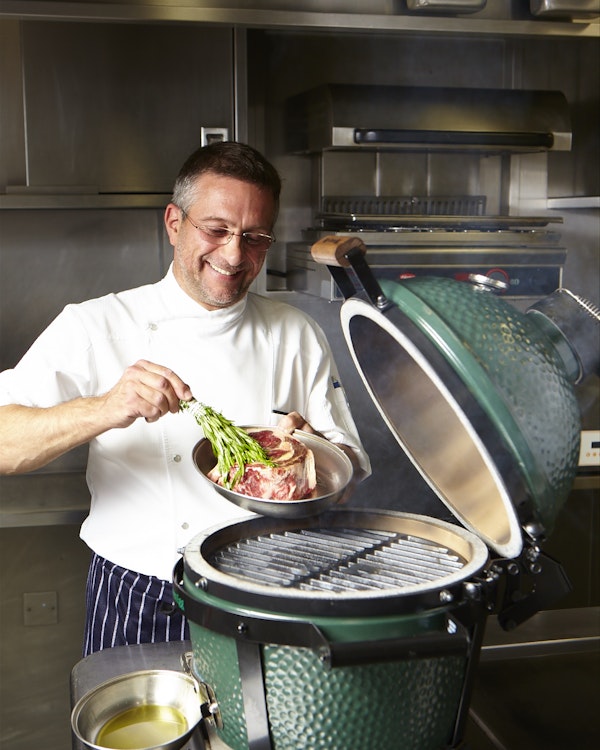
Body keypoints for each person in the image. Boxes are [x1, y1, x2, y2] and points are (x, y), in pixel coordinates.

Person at [0, 141, 370, 655]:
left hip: (267, 587)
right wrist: (106, 408)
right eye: (216, 230)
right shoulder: (96, 325)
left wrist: (312, 459)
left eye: (255, 237)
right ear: (174, 223)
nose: (235, 255)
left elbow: (346, 471)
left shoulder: (296, 332)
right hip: (139, 592)